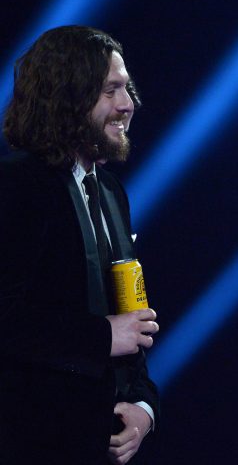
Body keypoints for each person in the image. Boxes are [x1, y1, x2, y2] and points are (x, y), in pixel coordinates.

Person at [0, 25, 160, 463]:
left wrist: (144, 404)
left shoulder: (111, 192)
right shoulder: (17, 186)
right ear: (68, 95)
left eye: (127, 89)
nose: (129, 105)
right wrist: (100, 336)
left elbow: (131, 316)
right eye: (111, 90)